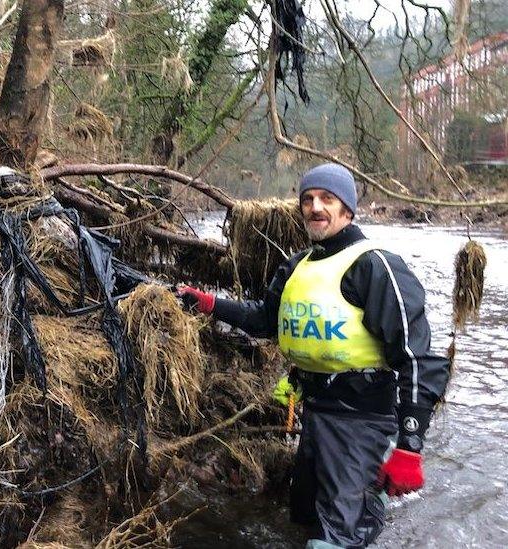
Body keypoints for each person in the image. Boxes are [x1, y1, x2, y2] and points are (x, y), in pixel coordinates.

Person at [177, 163, 450, 548]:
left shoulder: (375, 265)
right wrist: (208, 304)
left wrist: (409, 448)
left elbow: (418, 358)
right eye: (308, 199)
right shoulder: (295, 267)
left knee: (338, 536)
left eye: (327, 199)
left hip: (363, 422)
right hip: (316, 412)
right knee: (304, 517)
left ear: (348, 209)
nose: (315, 207)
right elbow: (264, 320)